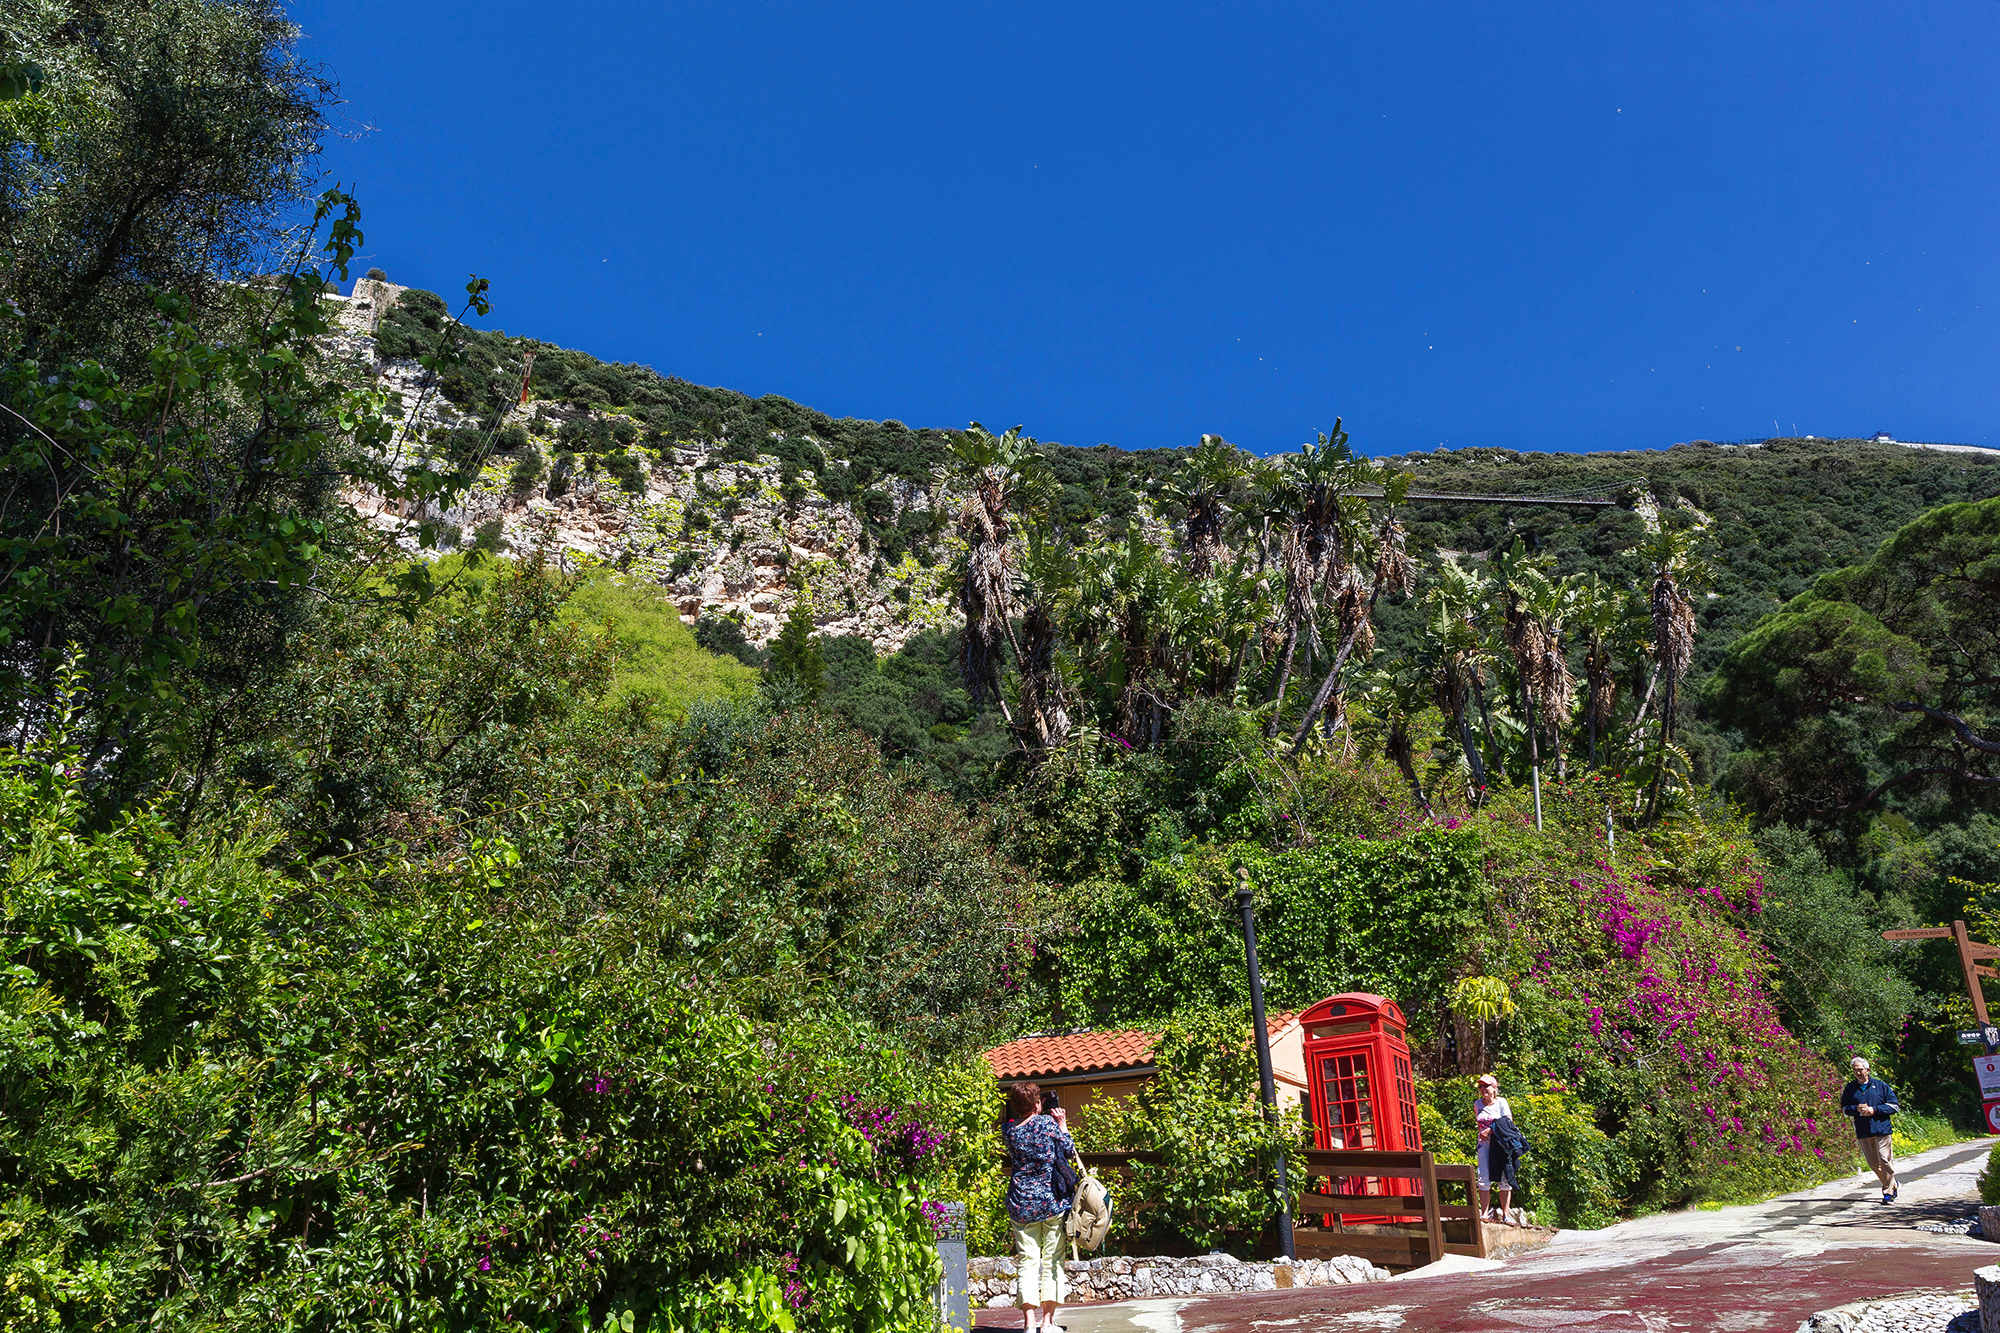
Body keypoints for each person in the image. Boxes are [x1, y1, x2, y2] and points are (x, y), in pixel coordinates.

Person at [1001, 1081, 1075, 1332]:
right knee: (1052, 1260)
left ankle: (1029, 1325)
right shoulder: (1045, 1124)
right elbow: (1068, 1150)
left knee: (1028, 1261)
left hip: (1020, 1202)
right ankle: (1048, 1323)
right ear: (1037, 1104)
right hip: (1050, 1202)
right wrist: (1062, 1123)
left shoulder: (1008, 1131)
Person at [1840, 1056, 1900, 1203]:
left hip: (1882, 1129)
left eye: (1860, 1070)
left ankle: (1888, 1192)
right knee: (1873, 1163)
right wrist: (1856, 1108)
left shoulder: (1881, 1086)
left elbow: (1894, 1106)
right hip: (1863, 1131)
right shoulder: (1850, 1089)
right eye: (1855, 1070)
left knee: (1884, 1159)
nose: (1858, 1073)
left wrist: (1874, 1110)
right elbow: (1844, 1109)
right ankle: (1893, 1184)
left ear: (1867, 1069)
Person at [1474, 1073, 1520, 1224]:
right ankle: (1485, 1213)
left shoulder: (1501, 1103)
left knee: (1504, 1178)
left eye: (1486, 1086)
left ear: (1494, 1088)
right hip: (1484, 1145)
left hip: (1500, 1145)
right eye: (1480, 1086)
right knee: (1483, 1177)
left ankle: (1506, 1214)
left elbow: (1508, 1122)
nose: (1482, 1089)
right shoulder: (1477, 1104)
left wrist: (1491, 1130)